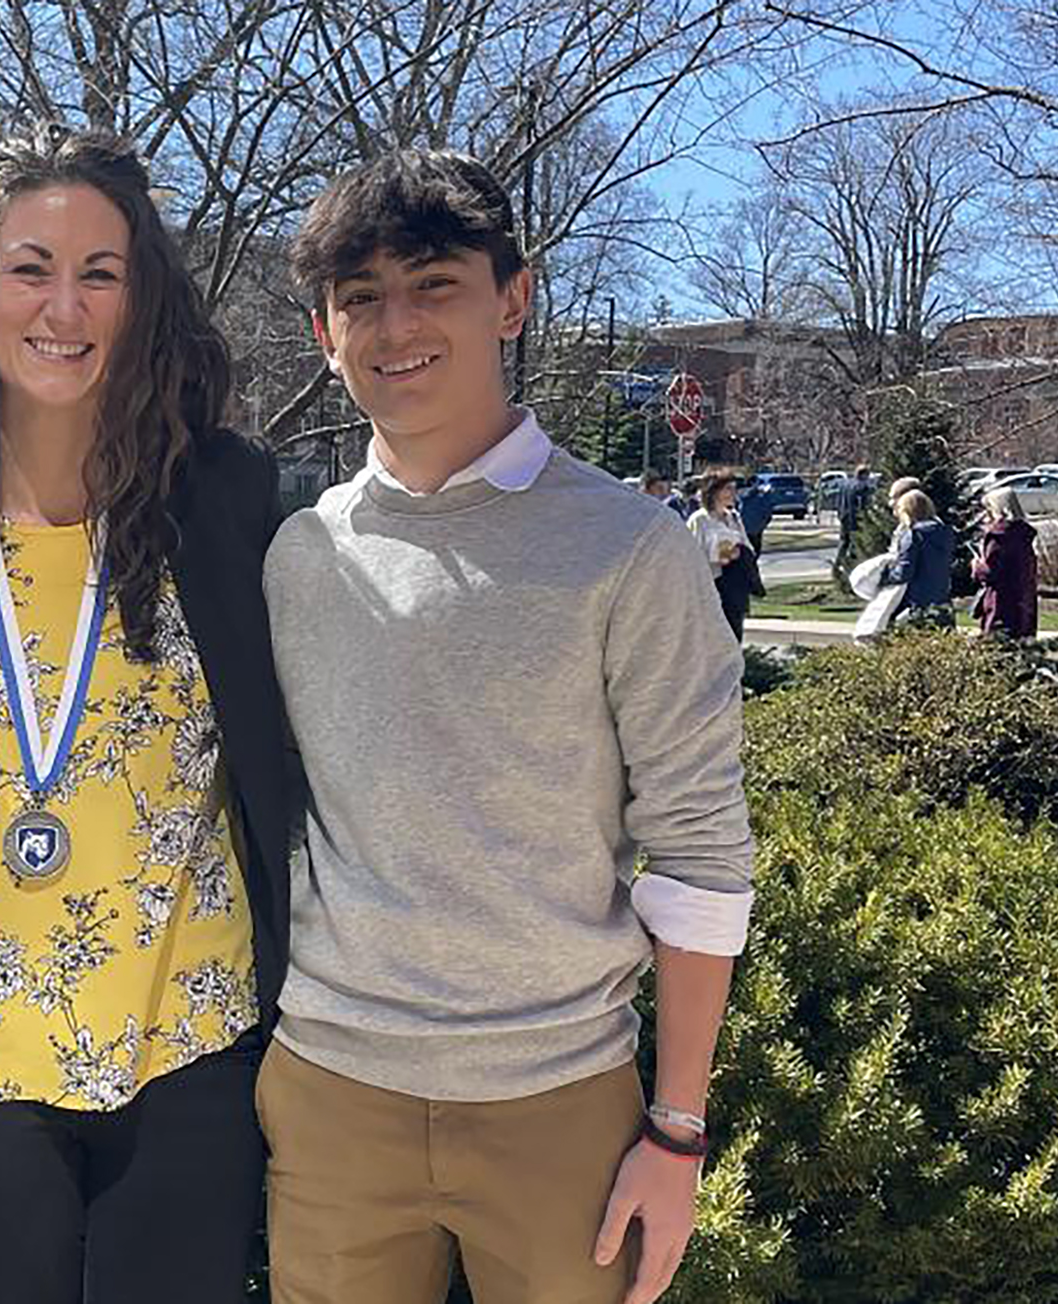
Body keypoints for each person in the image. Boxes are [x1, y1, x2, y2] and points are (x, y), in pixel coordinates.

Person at [260, 149, 755, 1304]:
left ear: (513, 299)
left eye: (434, 283)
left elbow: (697, 853)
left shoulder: (627, 548)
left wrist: (677, 1128)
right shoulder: (298, 556)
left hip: (559, 1103)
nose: (396, 326)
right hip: (331, 1090)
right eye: (360, 298)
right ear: (325, 332)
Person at [0, 123, 293, 1304]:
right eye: (29, 267)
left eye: (100, 271)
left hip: (190, 1047)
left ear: (142, 296)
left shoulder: (221, 493)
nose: (64, 304)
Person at [688, 471, 758, 641]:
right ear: (714, 491)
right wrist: (715, 555)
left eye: (734, 488)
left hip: (733, 586)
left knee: (733, 636)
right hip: (711, 586)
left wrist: (737, 552)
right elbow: (691, 555)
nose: (733, 493)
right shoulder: (700, 520)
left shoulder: (734, 517)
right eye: (728, 488)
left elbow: (748, 547)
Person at [971, 487, 1038, 638]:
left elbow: (990, 572)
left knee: (996, 642)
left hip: (1001, 600)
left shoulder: (998, 536)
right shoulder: (1024, 532)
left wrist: (976, 566)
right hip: (1023, 598)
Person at [883, 488, 955, 628]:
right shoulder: (945, 532)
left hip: (916, 601)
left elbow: (905, 571)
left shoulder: (913, 535)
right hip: (941, 598)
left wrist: (886, 575)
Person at [834, 462, 874, 576]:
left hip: (844, 516)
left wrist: (840, 513)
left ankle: (837, 565)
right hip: (855, 519)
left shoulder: (844, 485)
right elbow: (863, 504)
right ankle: (851, 567)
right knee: (855, 543)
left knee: (843, 542)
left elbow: (838, 501)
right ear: (864, 475)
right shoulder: (862, 487)